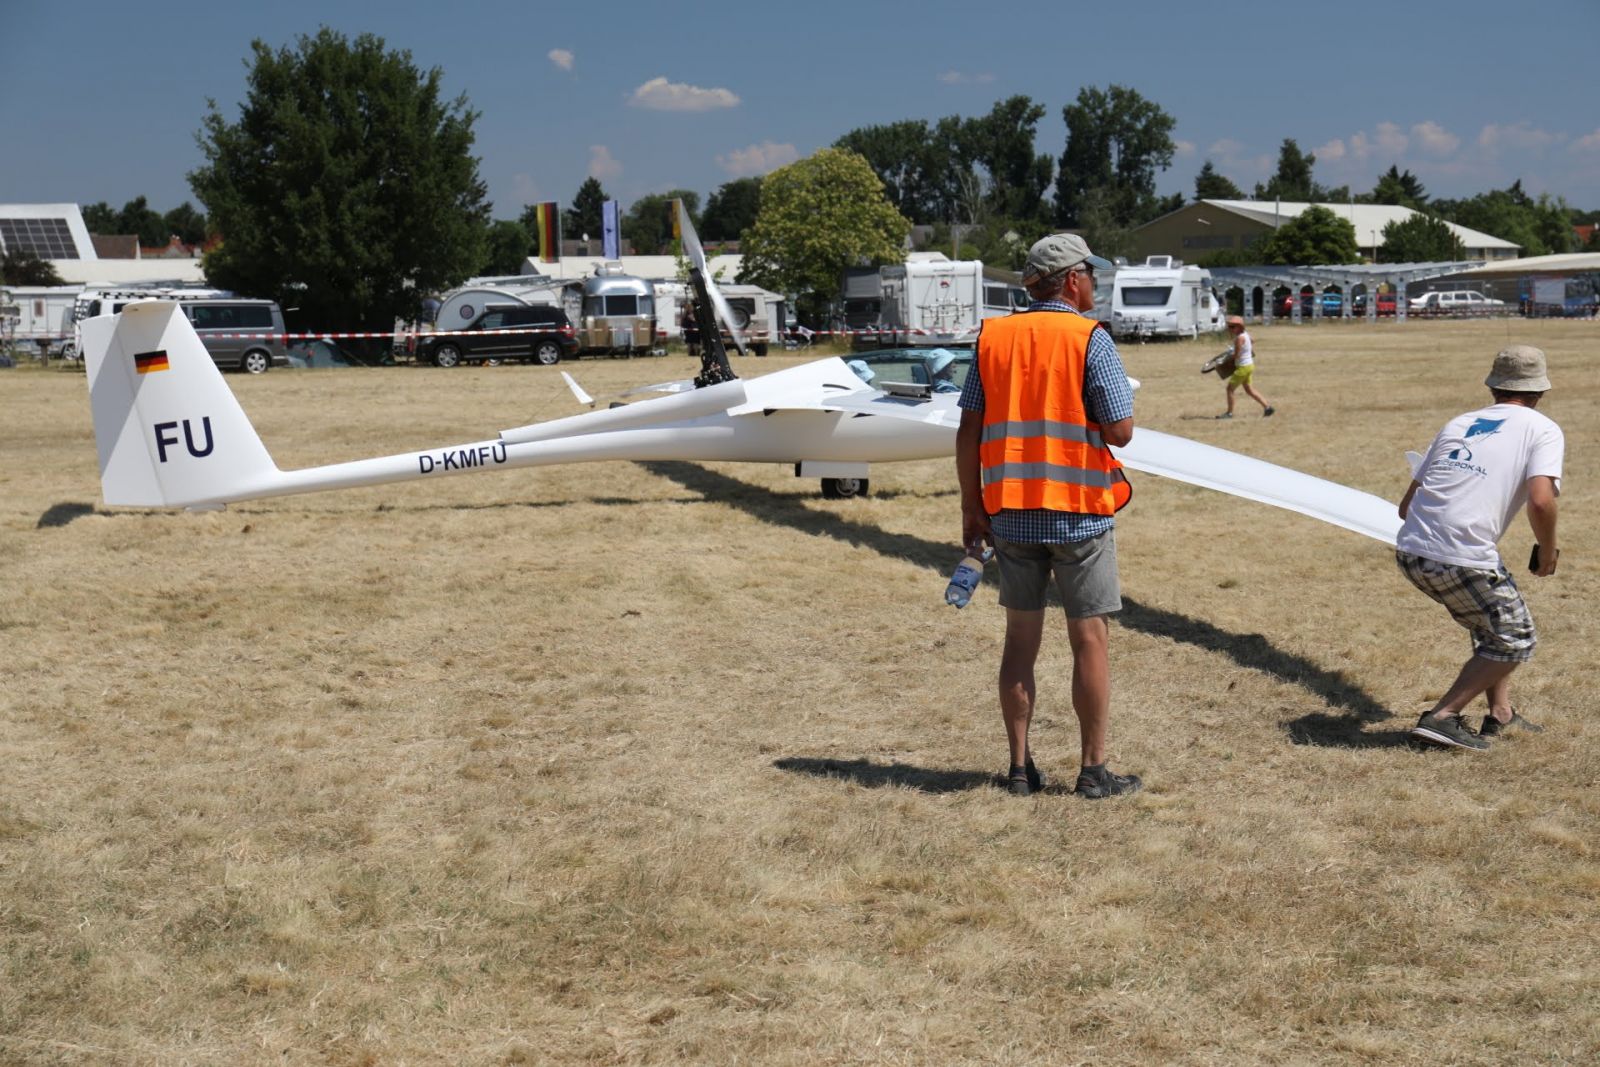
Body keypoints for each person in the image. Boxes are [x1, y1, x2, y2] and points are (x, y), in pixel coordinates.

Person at [955, 233, 1141, 799]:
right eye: (1092, 274)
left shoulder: (993, 337)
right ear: (1073, 279)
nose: (1096, 283)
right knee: (1090, 640)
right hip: (1078, 514)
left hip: (1010, 512)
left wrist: (972, 507)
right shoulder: (1090, 338)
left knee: (1020, 641)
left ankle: (1019, 769)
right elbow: (1121, 432)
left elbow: (969, 430)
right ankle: (1093, 771)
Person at [1396, 345, 1563, 751]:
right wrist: (1547, 551)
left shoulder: (1459, 423)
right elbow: (1541, 501)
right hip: (1460, 556)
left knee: (1489, 626)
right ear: (1540, 390)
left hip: (1411, 551)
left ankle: (1500, 714)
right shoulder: (1543, 429)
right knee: (1516, 639)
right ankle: (1442, 717)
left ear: (1493, 386)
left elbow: (1405, 507)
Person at [1217, 315, 1274, 419]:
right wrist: (1247, 349)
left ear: (1239, 327)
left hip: (1242, 367)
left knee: (1229, 389)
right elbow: (1252, 341)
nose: (1230, 329)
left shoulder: (1239, 338)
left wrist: (1225, 360)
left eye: (1232, 327)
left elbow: (1236, 355)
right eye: (1229, 327)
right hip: (1249, 365)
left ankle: (1229, 413)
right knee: (1249, 390)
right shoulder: (1246, 334)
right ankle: (1268, 408)